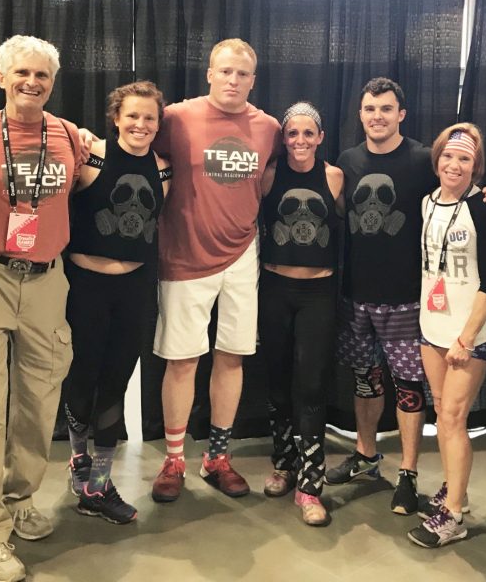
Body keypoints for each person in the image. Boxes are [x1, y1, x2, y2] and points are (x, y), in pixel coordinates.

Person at [0, 35, 84, 582]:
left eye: (42, 75)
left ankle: (20, 498)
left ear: (53, 82)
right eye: (22, 73)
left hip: (48, 279)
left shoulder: (68, 135)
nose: (32, 83)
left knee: (38, 401)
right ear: (1, 77)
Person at [149, 38, 282, 503]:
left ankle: (217, 457)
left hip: (242, 254)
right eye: (225, 71)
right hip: (185, 255)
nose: (233, 80)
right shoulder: (176, 118)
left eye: (242, 74)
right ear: (209, 73)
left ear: (253, 80)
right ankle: (174, 460)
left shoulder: (268, 127)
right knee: (182, 360)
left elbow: (274, 178)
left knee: (232, 356)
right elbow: (133, 147)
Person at [325, 77, 437, 515]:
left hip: (406, 297)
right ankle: (366, 455)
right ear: (360, 114)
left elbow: (457, 196)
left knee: (409, 387)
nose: (377, 116)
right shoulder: (348, 160)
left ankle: (408, 473)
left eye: (386, 109)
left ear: (401, 114)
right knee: (365, 380)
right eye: (370, 109)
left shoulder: (423, 159)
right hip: (357, 295)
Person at [62, 81, 171, 524]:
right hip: (85, 286)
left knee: (116, 381)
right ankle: (78, 458)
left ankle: (100, 483)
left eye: (149, 117)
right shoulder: (89, 156)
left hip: (135, 288)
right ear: (116, 118)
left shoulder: (163, 169)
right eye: (132, 116)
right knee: (81, 375)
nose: (140, 124)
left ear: (159, 123)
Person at [407, 123, 486, 549]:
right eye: (448, 156)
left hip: (471, 332)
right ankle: (453, 490)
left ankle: (453, 516)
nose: (454, 164)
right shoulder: (426, 203)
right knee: (442, 412)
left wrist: (467, 338)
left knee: (452, 418)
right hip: (432, 326)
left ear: (475, 166)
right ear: (437, 159)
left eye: (464, 159)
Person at [258, 101, 343, 526]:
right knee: (277, 381)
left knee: (310, 385)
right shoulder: (269, 174)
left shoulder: (334, 176)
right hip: (275, 289)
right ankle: (284, 464)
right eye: (292, 133)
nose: (300, 141)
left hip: (318, 293)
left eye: (309, 133)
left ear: (321, 137)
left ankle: (311, 485)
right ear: (283, 138)